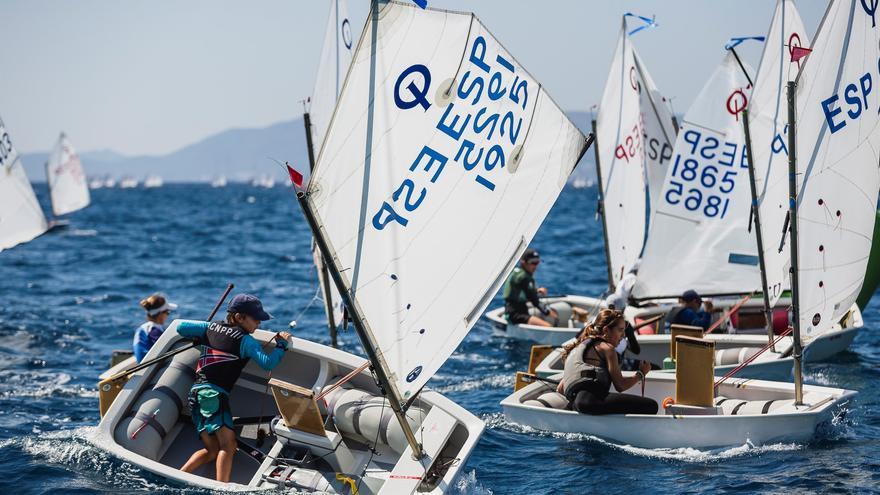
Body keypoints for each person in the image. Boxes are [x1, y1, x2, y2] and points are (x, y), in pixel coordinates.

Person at [178, 294, 290, 482]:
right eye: (256, 319)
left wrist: (204, 333)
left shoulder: (209, 327)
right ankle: (222, 489)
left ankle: (179, 476)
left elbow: (181, 327)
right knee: (228, 447)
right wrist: (282, 345)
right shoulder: (246, 341)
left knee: (212, 450)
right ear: (239, 317)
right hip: (213, 396)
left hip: (196, 395)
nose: (259, 324)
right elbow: (267, 364)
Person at [557, 309, 657, 415]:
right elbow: (620, 386)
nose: (623, 336)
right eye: (620, 330)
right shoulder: (607, 348)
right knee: (652, 406)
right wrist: (641, 373)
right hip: (591, 403)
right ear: (606, 330)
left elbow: (560, 389)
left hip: (576, 405)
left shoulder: (578, 347)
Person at [502, 248, 557, 327]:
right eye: (533, 263)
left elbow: (524, 292)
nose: (535, 266)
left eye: (537, 262)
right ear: (523, 262)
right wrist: (551, 313)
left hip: (512, 311)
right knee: (548, 326)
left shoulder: (516, 272)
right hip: (515, 315)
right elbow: (535, 301)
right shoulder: (525, 278)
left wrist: (537, 291)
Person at [133, 293, 178, 363]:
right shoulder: (154, 330)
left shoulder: (145, 328)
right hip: (149, 367)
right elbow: (163, 349)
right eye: (167, 312)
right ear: (160, 314)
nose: (168, 315)